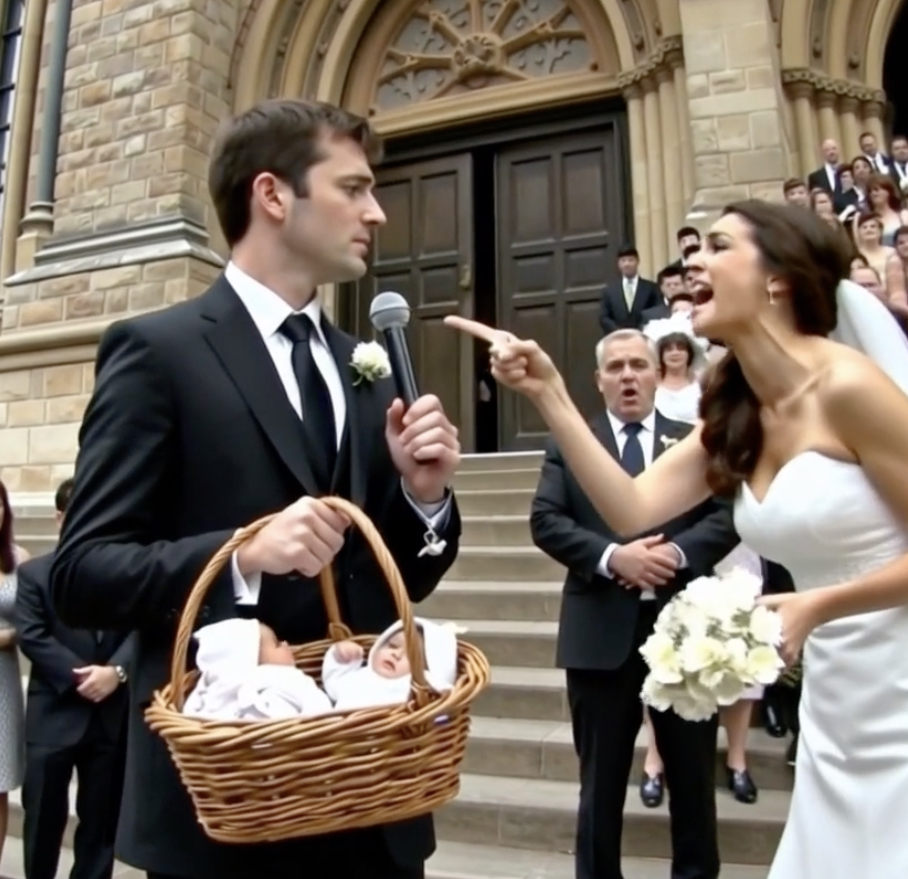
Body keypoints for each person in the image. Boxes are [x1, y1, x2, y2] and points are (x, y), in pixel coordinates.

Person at [50, 99, 462, 879]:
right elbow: (82, 574)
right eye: (355, 188)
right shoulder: (158, 353)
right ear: (273, 195)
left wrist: (424, 500)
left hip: (373, 803)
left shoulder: (365, 368)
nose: (377, 212)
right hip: (228, 810)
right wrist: (242, 556)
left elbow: (397, 580)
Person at [446, 199, 908, 879]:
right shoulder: (739, 402)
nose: (693, 260)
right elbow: (632, 507)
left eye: (718, 246)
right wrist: (548, 392)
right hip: (838, 692)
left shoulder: (849, 386)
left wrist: (817, 605)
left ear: (777, 276)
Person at [530, 329, 739, 879]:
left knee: (694, 779)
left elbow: (726, 515)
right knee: (599, 786)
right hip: (600, 634)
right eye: (616, 367)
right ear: (599, 381)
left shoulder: (693, 440)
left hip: (685, 633)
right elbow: (546, 521)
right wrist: (611, 557)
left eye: (639, 365)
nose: (628, 376)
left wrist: (672, 552)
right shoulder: (574, 441)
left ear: (658, 375)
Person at [16, 477, 133, 879]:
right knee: (44, 820)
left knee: (101, 826)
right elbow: (32, 636)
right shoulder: (33, 574)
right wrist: (83, 678)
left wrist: (116, 672)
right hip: (54, 717)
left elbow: (140, 629)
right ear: (60, 517)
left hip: (110, 717)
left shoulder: (123, 572)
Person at [0, 478, 29, 866]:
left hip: (3, 682)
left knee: (0, 780)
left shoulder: (18, 558)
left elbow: (33, 621)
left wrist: (7, 636)